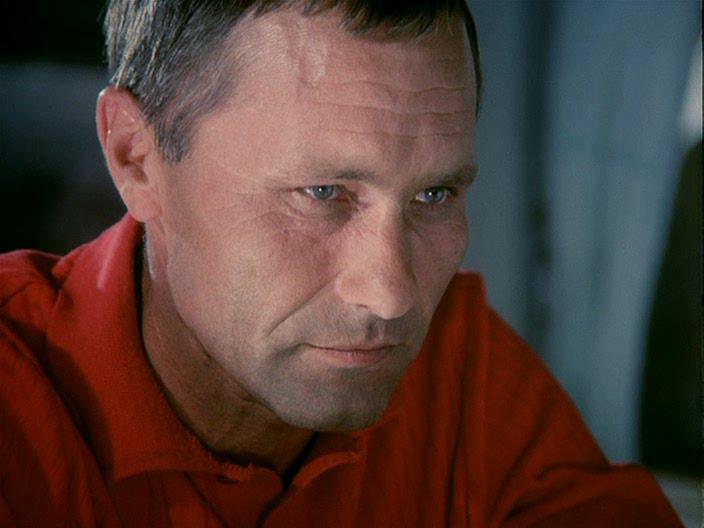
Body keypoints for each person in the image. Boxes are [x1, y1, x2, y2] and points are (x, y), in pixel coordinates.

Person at [0, 1, 683, 526]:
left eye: (433, 195)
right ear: (136, 159)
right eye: (323, 193)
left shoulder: (454, 363)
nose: (390, 296)